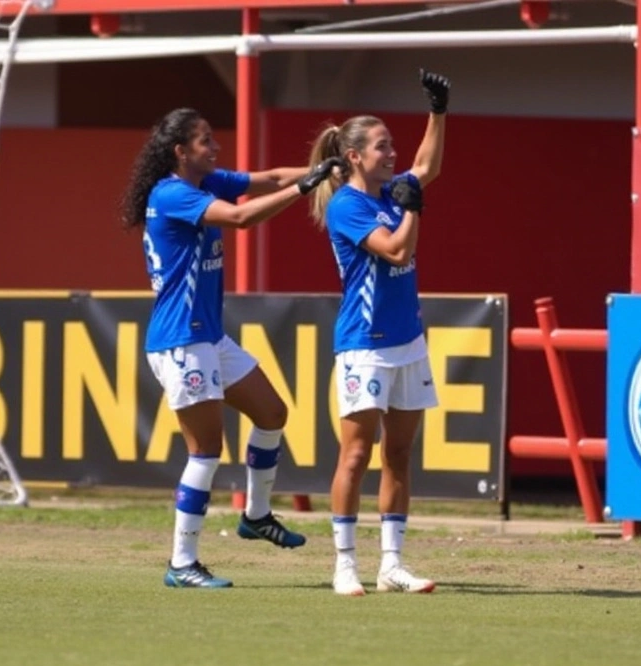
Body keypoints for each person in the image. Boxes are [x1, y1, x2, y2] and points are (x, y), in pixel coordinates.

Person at [119, 107, 345, 589]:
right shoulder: (173, 193)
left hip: (207, 335)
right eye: (204, 141)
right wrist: (307, 189)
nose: (214, 146)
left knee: (272, 413)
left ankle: (256, 516)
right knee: (204, 453)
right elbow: (241, 218)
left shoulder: (205, 181)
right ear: (180, 152)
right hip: (181, 339)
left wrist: (322, 167)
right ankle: (182, 563)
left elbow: (268, 177)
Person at [305, 69, 450, 596]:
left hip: (408, 341)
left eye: (392, 145)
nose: (392, 153)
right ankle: (344, 564)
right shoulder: (348, 205)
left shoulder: (392, 190)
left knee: (399, 455)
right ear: (355, 158)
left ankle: (392, 564)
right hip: (364, 345)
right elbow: (396, 250)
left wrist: (438, 110)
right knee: (355, 455)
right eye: (382, 146)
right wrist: (412, 208)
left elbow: (425, 168)